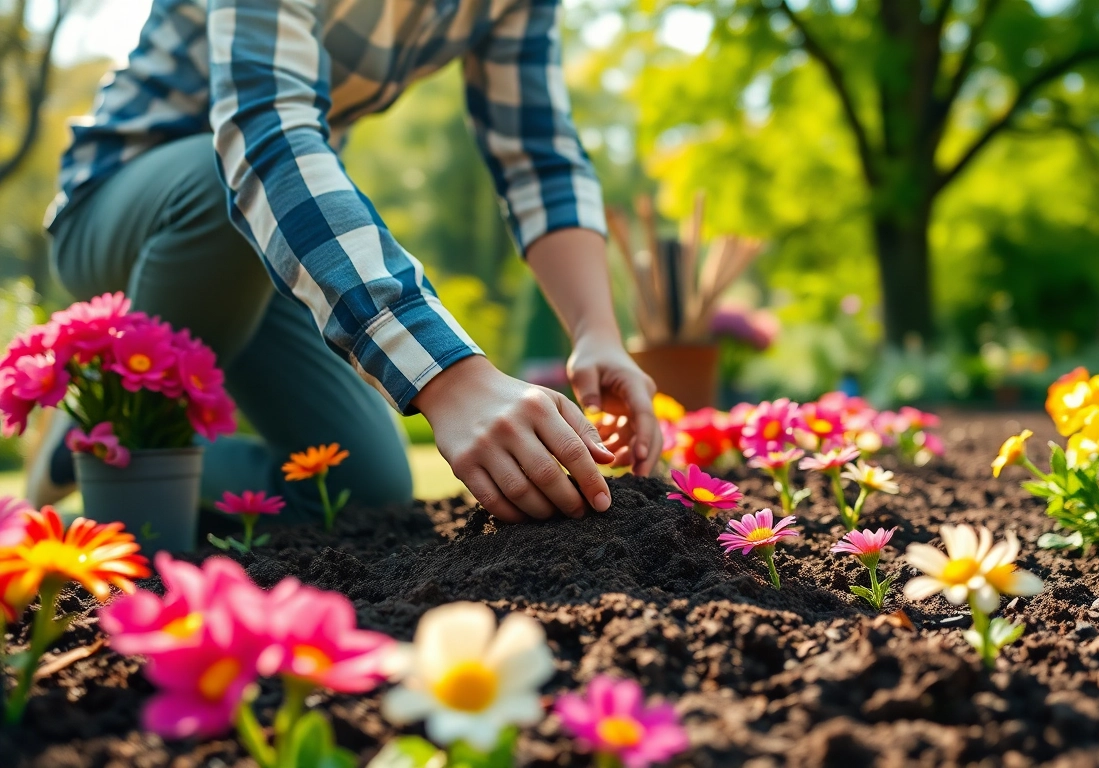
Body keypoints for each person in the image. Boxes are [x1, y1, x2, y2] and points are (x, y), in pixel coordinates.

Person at [29, 0, 660, 523]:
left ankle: (99, 431)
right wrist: (452, 376)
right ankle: (125, 446)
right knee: (212, 177)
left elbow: (539, 155)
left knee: (361, 487)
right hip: (126, 211)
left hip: (270, 239)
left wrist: (595, 329)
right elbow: (264, 130)